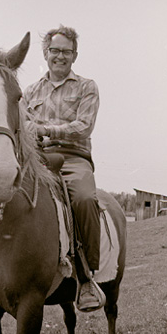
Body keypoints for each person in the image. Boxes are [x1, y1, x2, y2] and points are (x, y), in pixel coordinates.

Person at [22, 25, 105, 312]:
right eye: (55, 51)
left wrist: (44, 129)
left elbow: (83, 127)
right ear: (46, 53)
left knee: (83, 198)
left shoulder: (87, 86)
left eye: (66, 52)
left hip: (73, 157)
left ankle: (87, 275)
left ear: (75, 55)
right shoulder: (29, 91)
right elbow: (21, 125)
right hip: (38, 157)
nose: (60, 56)